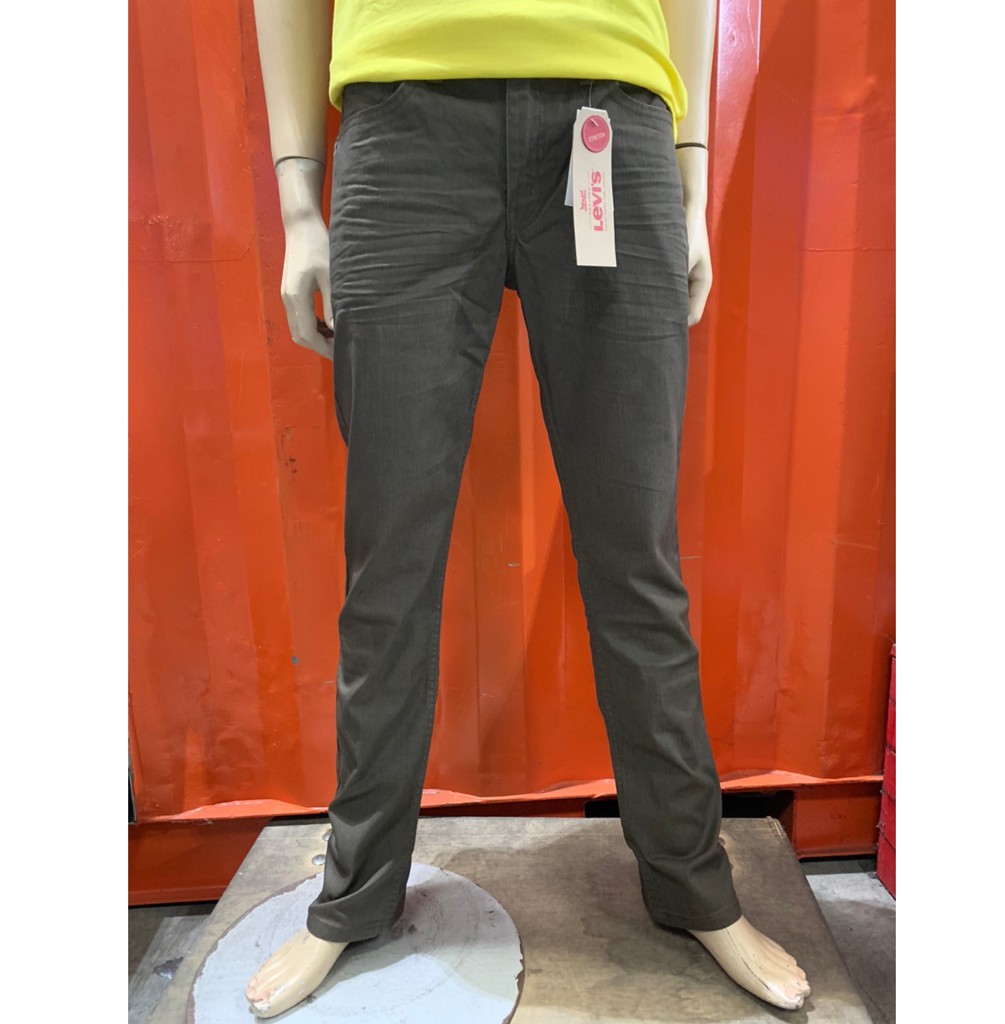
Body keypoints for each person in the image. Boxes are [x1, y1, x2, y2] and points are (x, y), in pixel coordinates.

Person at [247, 1, 810, 1017]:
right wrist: (297, 199)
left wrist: (690, 175)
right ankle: (354, 895)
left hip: (613, 123)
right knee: (388, 568)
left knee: (635, 560)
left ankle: (694, 884)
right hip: (403, 130)